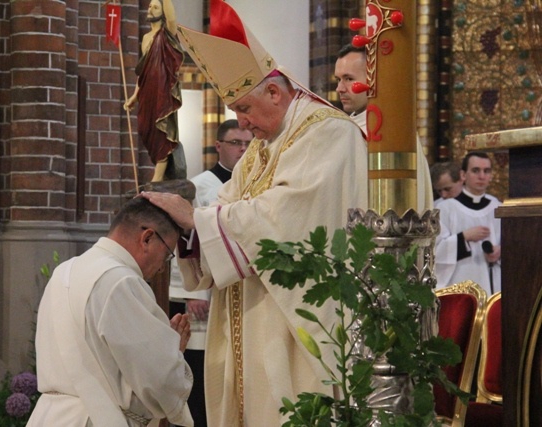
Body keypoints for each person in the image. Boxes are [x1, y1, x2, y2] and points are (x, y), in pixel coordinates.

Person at [143, 2, 369, 424]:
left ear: (274, 91)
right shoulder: (261, 149)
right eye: (236, 115)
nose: (243, 125)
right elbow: (227, 207)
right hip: (248, 313)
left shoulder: (329, 134)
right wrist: (194, 227)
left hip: (291, 323)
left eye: (245, 109)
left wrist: (198, 220)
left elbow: (286, 218)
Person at [27, 197, 194, 427]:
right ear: (147, 238)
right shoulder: (121, 282)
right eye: (166, 255)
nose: (162, 267)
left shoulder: (65, 271)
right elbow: (158, 382)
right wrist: (173, 353)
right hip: (96, 418)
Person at [169, 119, 253, 426]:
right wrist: (192, 292)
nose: (243, 150)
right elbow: (188, 237)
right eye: (236, 143)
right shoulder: (201, 186)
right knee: (203, 367)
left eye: (248, 143)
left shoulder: (252, 184)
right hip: (206, 294)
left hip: (241, 291)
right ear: (219, 146)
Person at [335, 43, 433, 212]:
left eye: (349, 79)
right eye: (338, 80)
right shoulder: (346, 125)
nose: (339, 89)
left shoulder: (392, 128)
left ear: (373, 79)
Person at [124, 0, 186, 182]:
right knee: (145, 128)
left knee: (161, 131)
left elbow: (173, 19)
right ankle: (160, 174)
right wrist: (134, 96)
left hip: (162, 90)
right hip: (147, 90)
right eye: (150, 6)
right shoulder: (145, 38)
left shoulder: (166, 34)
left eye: (156, 7)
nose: (151, 9)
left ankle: (157, 178)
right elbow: (142, 71)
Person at [435, 151, 502, 295]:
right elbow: (435, 251)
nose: (482, 176)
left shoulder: (499, 208)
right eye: (476, 170)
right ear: (463, 175)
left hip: (493, 283)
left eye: (487, 171)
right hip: (459, 283)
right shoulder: (445, 208)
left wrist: (500, 252)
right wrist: (463, 237)